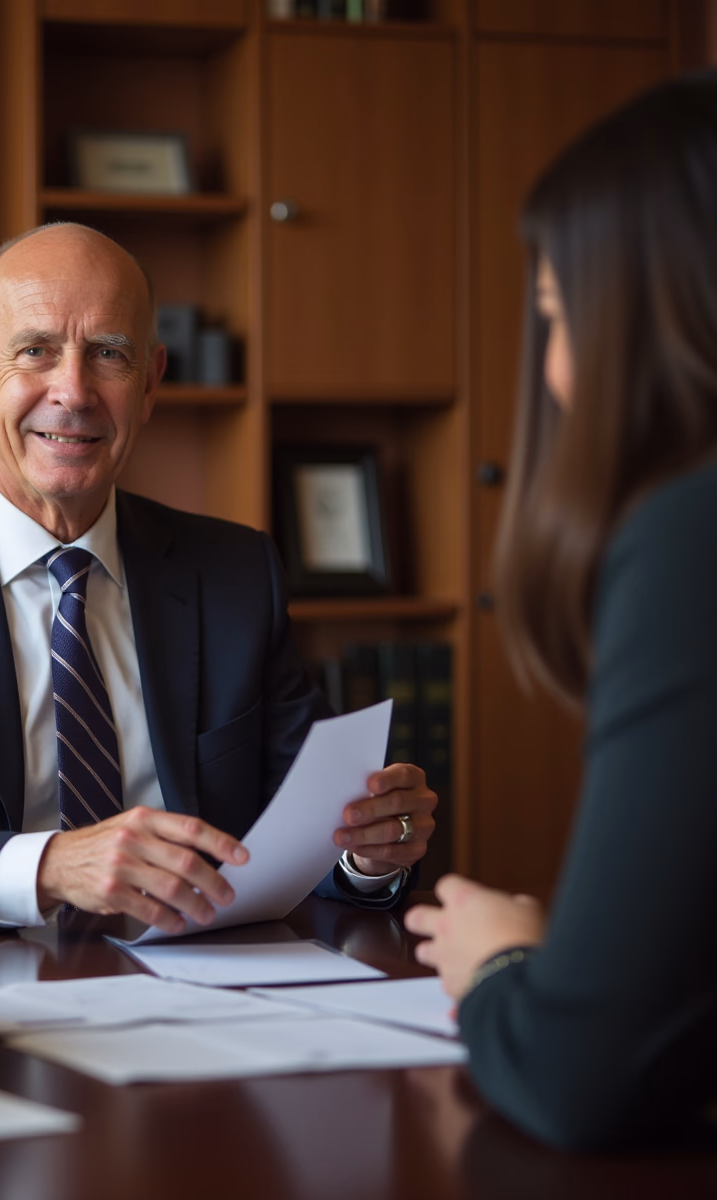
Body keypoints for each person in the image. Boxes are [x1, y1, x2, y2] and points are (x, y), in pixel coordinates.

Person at [0, 222, 437, 936]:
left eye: (109, 354)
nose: (74, 391)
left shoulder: (235, 576)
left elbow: (299, 831)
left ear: (149, 383)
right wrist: (47, 868)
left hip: (200, 983)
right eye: (35, 351)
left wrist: (365, 853)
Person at [405, 73, 717, 1150]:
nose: (554, 368)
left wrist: (501, 962)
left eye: (556, 314)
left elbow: (576, 1078)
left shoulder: (692, 538)